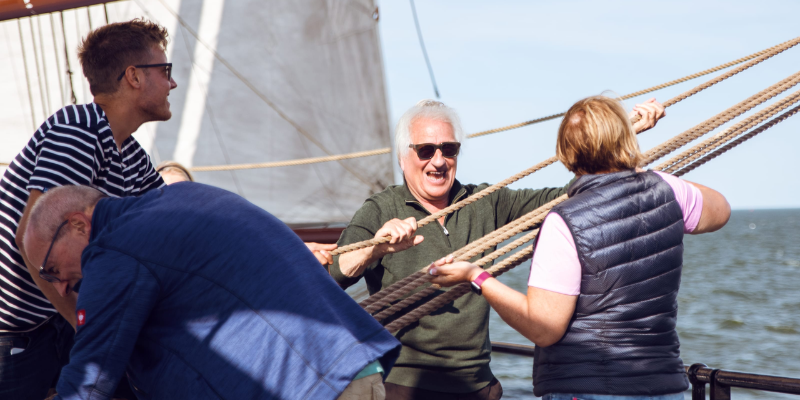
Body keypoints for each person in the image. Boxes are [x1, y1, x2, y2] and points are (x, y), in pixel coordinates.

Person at [328, 99, 665, 399]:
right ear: (404, 157)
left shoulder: (484, 201)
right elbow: (331, 276)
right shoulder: (380, 209)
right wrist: (374, 249)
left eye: (449, 149)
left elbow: (568, 200)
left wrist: (618, 143)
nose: (439, 161)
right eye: (426, 150)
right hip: (404, 387)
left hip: (477, 387)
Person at [429, 96, 731, 400]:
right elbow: (720, 210)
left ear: (566, 152)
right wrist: (632, 160)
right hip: (664, 387)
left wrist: (477, 276)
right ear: (624, 139)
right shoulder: (667, 190)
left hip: (588, 388)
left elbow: (544, 328)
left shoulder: (564, 221)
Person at [24, 183, 401, 400]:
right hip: (348, 369)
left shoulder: (112, 249)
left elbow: (90, 380)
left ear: (78, 225)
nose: (60, 286)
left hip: (310, 386)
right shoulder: (182, 196)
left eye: (51, 270)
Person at [0, 19, 176, 399]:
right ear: (134, 76)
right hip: (14, 331)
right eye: (165, 70)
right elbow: (31, 238)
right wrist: (85, 326)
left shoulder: (131, 154)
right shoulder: (78, 129)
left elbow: (171, 218)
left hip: (54, 315)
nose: (172, 83)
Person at [155, 160, 337, 265]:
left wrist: (296, 251)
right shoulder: (150, 243)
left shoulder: (211, 236)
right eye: (168, 191)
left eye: (186, 190)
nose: (179, 197)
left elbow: (252, 248)